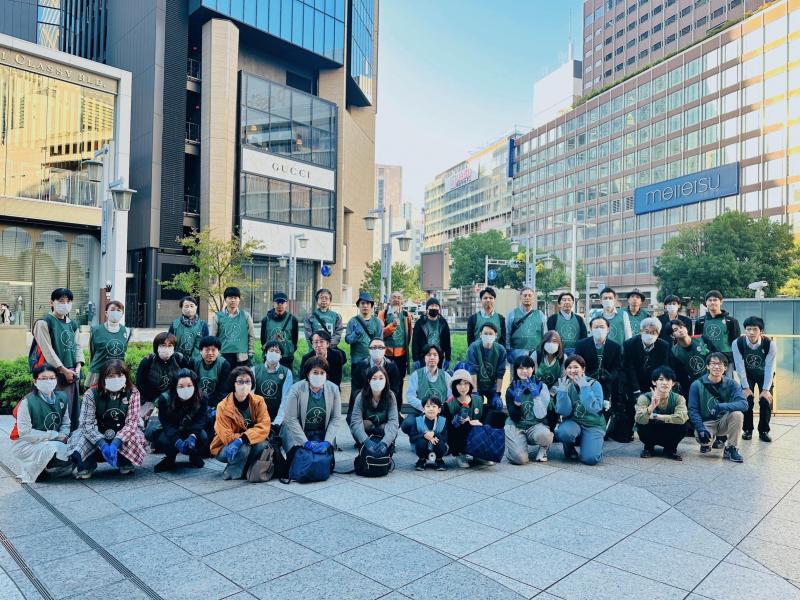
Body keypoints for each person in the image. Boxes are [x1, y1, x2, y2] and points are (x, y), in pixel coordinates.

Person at [69, 360, 147, 479]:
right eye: (111, 376)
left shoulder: (133, 392)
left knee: (135, 436)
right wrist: (103, 444)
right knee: (78, 444)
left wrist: (116, 443)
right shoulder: (91, 393)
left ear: (126, 377)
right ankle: (88, 464)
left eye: (120, 375)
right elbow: (86, 424)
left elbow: (132, 423)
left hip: (122, 435)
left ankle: (124, 461)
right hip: (97, 433)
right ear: (103, 377)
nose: (116, 379)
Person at [281, 357, 343, 474]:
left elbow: (336, 418)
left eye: (322, 373)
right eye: (315, 372)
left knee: (321, 458)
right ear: (307, 374)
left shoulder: (333, 389)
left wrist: (327, 441)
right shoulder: (296, 389)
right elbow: (290, 419)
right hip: (299, 433)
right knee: (302, 458)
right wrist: (305, 442)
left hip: (321, 433)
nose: (319, 376)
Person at [32, 288, 83, 429]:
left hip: (72, 374)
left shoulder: (73, 324)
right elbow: (47, 350)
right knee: (52, 411)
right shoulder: (44, 322)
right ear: (52, 302)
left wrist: (78, 367)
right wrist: (63, 370)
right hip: (52, 375)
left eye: (68, 301)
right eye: (61, 301)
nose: (65, 304)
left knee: (71, 411)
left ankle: (69, 441)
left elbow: (78, 346)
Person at [11, 365, 72, 483]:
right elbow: (25, 433)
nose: (48, 381)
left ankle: (47, 466)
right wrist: (55, 436)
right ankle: (38, 468)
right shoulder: (27, 402)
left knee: (75, 446)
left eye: (52, 378)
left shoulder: (62, 397)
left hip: (53, 439)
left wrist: (64, 435)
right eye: (43, 378)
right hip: (25, 443)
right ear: (35, 381)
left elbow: (66, 422)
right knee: (51, 448)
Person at [210, 366, 272, 480]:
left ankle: (244, 467)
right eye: (240, 381)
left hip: (246, 442)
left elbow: (264, 427)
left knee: (263, 445)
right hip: (225, 447)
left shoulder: (259, 401)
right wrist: (247, 438)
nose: (244, 385)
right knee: (243, 449)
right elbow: (226, 436)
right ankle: (233, 471)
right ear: (233, 384)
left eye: (248, 381)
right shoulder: (222, 406)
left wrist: (242, 439)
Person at [688, 352, 747, 462]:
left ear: (725, 368)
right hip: (707, 423)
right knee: (704, 440)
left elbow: (744, 404)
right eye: (713, 363)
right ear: (707, 366)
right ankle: (706, 444)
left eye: (720, 364)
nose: (716, 367)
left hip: (724, 421)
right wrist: (700, 429)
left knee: (738, 414)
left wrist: (721, 406)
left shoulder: (732, 384)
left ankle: (731, 448)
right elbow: (692, 410)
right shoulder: (697, 384)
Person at [152, 369, 208, 472]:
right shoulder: (165, 399)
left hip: (190, 429)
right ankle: (170, 459)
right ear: (175, 386)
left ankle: (194, 455)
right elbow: (165, 422)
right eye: (181, 386)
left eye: (189, 385)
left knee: (203, 437)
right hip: (172, 430)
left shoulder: (202, 397)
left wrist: (192, 437)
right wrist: (177, 441)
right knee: (163, 440)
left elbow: (200, 420)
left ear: (194, 385)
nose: (186, 389)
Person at [622, 317, 671, 436]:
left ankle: (652, 431)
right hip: (634, 379)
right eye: (646, 332)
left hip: (653, 380)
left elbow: (663, 368)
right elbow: (629, 368)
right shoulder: (629, 344)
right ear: (641, 331)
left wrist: (657, 387)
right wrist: (636, 389)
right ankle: (630, 430)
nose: (650, 335)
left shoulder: (663, 345)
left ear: (658, 333)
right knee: (632, 401)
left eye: (653, 332)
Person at [554, 355, 606, 465]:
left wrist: (584, 388)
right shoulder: (565, 385)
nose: (572, 370)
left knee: (590, 459)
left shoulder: (594, 384)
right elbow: (564, 412)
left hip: (593, 424)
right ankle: (570, 447)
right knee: (564, 432)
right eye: (569, 367)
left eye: (576, 367)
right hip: (574, 423)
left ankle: (593, 444)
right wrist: (562, 394)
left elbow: (595, 408)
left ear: (583, 369)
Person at [732, 316, 775, 442]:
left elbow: (769, 368)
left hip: (764, 375)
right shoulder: (738, 343)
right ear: (745, 330)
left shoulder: (769, 344)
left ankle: (763, 431)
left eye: (755, 329)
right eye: (748, 329)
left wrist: (766, 389)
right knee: (747, 400)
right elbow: (739, 367)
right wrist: (745, 387)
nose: (751, 332)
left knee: (765, 401)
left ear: (761, 331)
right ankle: (747, 430)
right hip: (747, 375)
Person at [504, 355, 554, 465]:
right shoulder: (511, 388)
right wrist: (517, 403)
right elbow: (515, 417)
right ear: (516, 370)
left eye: (527, 368)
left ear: (533, 369)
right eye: (520, 368)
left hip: (535, 425)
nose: (524, 371)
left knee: (546, 436)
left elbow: (542, 415)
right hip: (517, 425)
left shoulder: (541, 386)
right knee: (520, 459)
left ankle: (543, 448)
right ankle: (513, 451)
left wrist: (536, 397)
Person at [635, 366, 689, 460]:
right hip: (650, 432)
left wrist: (655, 416)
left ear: (673, 383)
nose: (665, 383)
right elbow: (639, 419)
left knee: (684, 424)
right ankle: (648, 447)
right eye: (661, 379)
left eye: (668, 380)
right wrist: (651, 407)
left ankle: (670, 449)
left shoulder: (679, 399)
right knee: (642, 422)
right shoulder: (644, 398)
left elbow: (681, 418)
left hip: (669, 432)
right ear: (654, 382)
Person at [135, 332, 190, 418]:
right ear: (156, 347)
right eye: (163, 345)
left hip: (175, 398)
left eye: (170, 346)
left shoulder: (180, 359)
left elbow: (188, 380)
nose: (166, 349)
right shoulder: (148, 361)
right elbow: (140, 384)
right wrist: (156, 399)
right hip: (151, 399)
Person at [574, 316, 621, 416]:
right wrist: (589, 378)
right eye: (596, 327)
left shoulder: (615, 346)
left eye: (602, 327)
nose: (599, 329)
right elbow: (577, 364)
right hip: (587, 383)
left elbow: (617, 367)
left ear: (608, 329)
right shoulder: (581, 344)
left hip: (608, 384)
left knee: (606, 412)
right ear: (591, 329)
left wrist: (609, 376)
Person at [349, 366, 399, 458]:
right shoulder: (361, 396)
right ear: (369, 380)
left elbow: (394, 422)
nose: (378, 381)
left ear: (386, 380)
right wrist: (366, 441)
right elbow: (355, 422)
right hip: (366, 432)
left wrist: (385, 443)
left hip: (384, 431)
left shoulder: (391, 396)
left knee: (387, 426)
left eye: (381, 378)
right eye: (374, 378)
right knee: (365, 423)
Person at [349, 338, 402, 420]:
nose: (377, 350)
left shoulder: (392, 366)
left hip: (385, 404)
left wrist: (381, 401)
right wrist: (369, 401)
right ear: (369, 350)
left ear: (385, 350)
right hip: (364, 403)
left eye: (381, 347)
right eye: (374, 347)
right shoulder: (360, 366)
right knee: (355, 420)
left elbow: (395, 390)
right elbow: (355, 389)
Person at [444, 369, 487, 468]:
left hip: (476, 432)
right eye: (459, 384)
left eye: (466, 383)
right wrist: (462, 421)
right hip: (457, 436)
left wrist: (477, 422)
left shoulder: (478, 400)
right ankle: (460, 454)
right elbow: (449, 428)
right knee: (462, 426)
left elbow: (483, 419)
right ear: (455, 386)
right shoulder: (449, 404)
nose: (463, 387)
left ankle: (479, 455)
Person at [466, 322, 507, 421]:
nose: (488, 336)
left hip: (491, 386)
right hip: (477, 386)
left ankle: (492, 427)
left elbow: (500, 374)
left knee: (498, 405)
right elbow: (473, 371)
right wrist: (475, 391)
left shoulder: (501, 350)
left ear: (496, 335)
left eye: (491, 334)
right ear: (480, 335)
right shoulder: (474, 348)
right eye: (485, 333)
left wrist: (497, 394)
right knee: (475, 406)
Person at [209, 287, 257, 368]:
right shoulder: (217, 316)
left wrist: (251, 352)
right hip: (223, 356)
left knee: (240, 379)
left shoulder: (245, 316)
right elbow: (212, 338)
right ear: (225, 299)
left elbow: (251, 335)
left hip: (242, 357)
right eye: (230, 298)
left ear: (239, 299)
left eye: (235, 298)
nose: (233, 300)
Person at [87, 300, 129, 388]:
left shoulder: (127, 331)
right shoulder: (96, 330)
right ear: (106, 313)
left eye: (119, 310)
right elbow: (92, 352)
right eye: (112, 309)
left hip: (117, 373)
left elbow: (124, 352)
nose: (115, 312)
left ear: (122, 313)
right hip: (98, 372)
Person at [401, 393, 448, 471]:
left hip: (438, 448)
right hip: (422, 448)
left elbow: (445, 439)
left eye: (434, 406)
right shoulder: (417, 420)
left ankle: (439, 460)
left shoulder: (443, 421)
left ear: (439, 409)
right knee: (420, 441)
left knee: (440, 442)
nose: (431, 409)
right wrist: (424, 435)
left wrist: (434, 434)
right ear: (423, 409)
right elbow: (412, 439)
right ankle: (421, 460)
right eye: (428, 406)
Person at [378, 291, 412, 396]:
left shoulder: (406, 315)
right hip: (386, 354)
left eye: (399, 298)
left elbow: (409, 334)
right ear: (389, 300)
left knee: (399, 382)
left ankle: (398, 409)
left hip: (401, 355)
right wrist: (391, 326)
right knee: (385, 381)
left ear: (402, 301)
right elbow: (380, 333)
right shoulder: (382, 314)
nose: (396, 300)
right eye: (394, 297)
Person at [253, 341, 293, 427]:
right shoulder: (254, 370)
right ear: (265, 353)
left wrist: (277, 421)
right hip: (257, 416)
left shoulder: (287, 373)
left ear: (281, 356)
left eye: (277, 351)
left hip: (277, 416)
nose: (274, 353)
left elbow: (286, 398)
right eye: (271, 350)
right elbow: (250, 395)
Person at [669, 319, 713, 398]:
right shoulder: (674, 352)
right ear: (672, 335)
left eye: (681, 327)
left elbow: (717, 356)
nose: (680, 330)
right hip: (695, 385)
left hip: (713, 378)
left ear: (686, 328)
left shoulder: (702, 338)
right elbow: (682, 377)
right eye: (676, 330)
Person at [695, 290, 741, 364]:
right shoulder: (700, 321)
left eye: (715, 300)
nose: (712, 302)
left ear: (721, 302)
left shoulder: (731, 321)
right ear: (706, 303)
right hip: (707, 358)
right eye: (710, 300)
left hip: (726, 358)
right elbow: (697, 341)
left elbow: (736, 342)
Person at [406, 344, 451, 416]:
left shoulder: (446, 376)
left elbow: (451, 397)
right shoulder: (416, 375)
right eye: (429, 355)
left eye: (435, 355)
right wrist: (425, 407)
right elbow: (410, 396)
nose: (432, 357)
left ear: (439, 358)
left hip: (441, 413)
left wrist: (438, 409)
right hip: (420, 412)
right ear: (424, 357)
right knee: (408, 423)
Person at [506, 287, 547, 364]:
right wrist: (508, 349)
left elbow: (545, 334)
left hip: (536, 354)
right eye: (525, 295)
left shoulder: (540, 315)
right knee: (517, 374)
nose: (527, 297)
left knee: (534, 375)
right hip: (517, 353)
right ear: (520, 297)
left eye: (529, 295)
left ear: (533, 298)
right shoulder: (512, 314)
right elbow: (507, 333)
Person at [260, 292, 299, 371]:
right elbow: (263, 340)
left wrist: (285, 342)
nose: (280, 305)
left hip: (286, 357)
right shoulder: (266, 320)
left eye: (282, 302)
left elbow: (294, 341)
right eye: (277, 302)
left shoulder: (293, 320)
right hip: (270, 356)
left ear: (286, 304)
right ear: (273, 303)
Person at [191, 336, 231, 408]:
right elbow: (191, 385)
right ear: (200, 351)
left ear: (218, 351)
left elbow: (222, 390)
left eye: (213, 350)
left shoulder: (224, 364)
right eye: (207, 350)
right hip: (196, 400)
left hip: (216, 401)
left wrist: (214, 406)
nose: (210, 353)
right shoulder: (194, 362)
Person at [411, 297, 452, 369]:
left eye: (436, 306)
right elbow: (415, 342)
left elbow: (447, 341)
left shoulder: (443, 323)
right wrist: (415, 358)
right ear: (427, 309)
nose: (434, 308)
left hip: (438, 356)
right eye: (432, 306)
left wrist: (448, 358)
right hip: (424, 356)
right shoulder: (420, 323)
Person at [346, 292, 384, 366]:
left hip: (373, 358)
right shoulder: (353, 321)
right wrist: (355, 334)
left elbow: (380, 341)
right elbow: (348, 340)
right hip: (357, 359)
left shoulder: (377, 322)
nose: (365, 306)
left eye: (368, 303)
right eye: (362, 303)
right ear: (358, 305)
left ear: (371, 306)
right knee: (357, 377)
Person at [168, 296, 208, 362]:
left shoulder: (203, 325)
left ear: (196, 307)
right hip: (177, 360)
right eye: (186, 306)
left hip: (197, 361)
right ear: (181, 308)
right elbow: (169, 343)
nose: (189, 309)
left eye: (192, 306)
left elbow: (205, 345)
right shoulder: (174, 324)